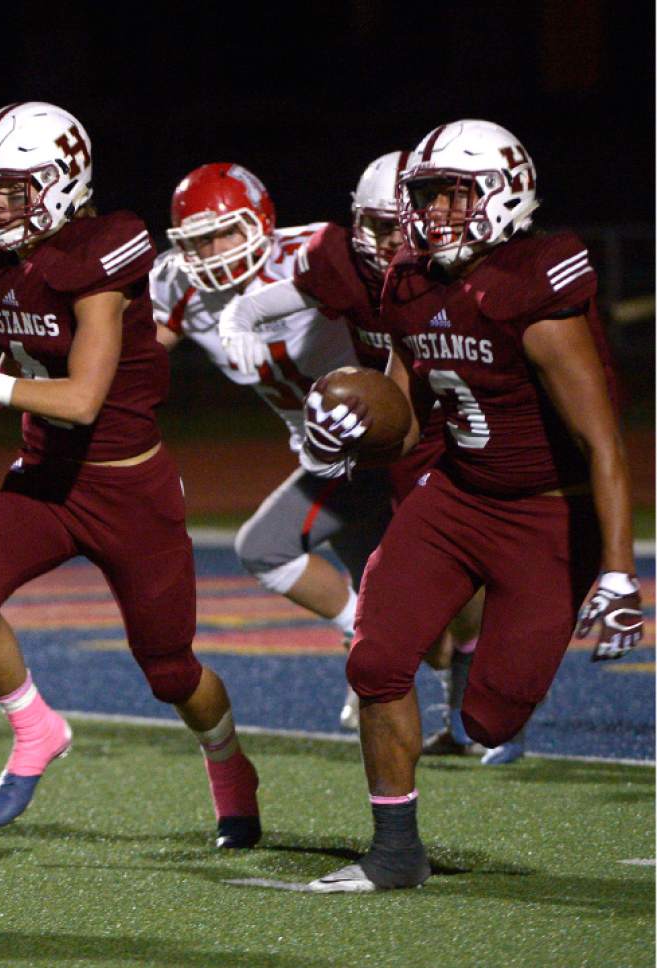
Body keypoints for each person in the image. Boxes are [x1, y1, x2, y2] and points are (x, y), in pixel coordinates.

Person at [0, 102, 261, 848]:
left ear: (61, 184)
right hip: (47, 480)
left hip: (127, 488)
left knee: (168, 670)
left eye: (9, 188)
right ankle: (35, 726)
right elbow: (26, 351)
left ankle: (229, 766)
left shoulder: (103, 253)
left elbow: (83, 396)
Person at [299, 119, 644, 891]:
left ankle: (495, 658)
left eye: (458, 195)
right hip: (455, 495)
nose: (440, 215)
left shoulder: (534, 284)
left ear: (506, 192)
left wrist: (618, 575)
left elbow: (603, 445)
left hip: (548, 515)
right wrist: (352, 434)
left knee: (489, 722)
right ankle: (394, 852)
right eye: (428, 197)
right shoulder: (409, 282)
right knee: (378, 661)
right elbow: (407, 416)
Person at [218, 153, 523, 762]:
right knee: (275, 549)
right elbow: (247, 309)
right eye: (375, 225)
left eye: (397, 226)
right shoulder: (340, 265)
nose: (386, 241)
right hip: (374, 451)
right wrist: (239, 343)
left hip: (450, 448)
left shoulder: (456, 274)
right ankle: (388, 663)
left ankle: (479, 703)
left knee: (460, 596)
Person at [152, 162, 394, 730]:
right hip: (323, 457)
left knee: (268, 548)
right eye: (197, 241)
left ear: (259, 220)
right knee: (391, 607)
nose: (210, 252)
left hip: (381, 444)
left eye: (223, 233)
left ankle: (402, 662)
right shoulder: (179, 283)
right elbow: (134, 362)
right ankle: (385, 651)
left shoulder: (313, 255)